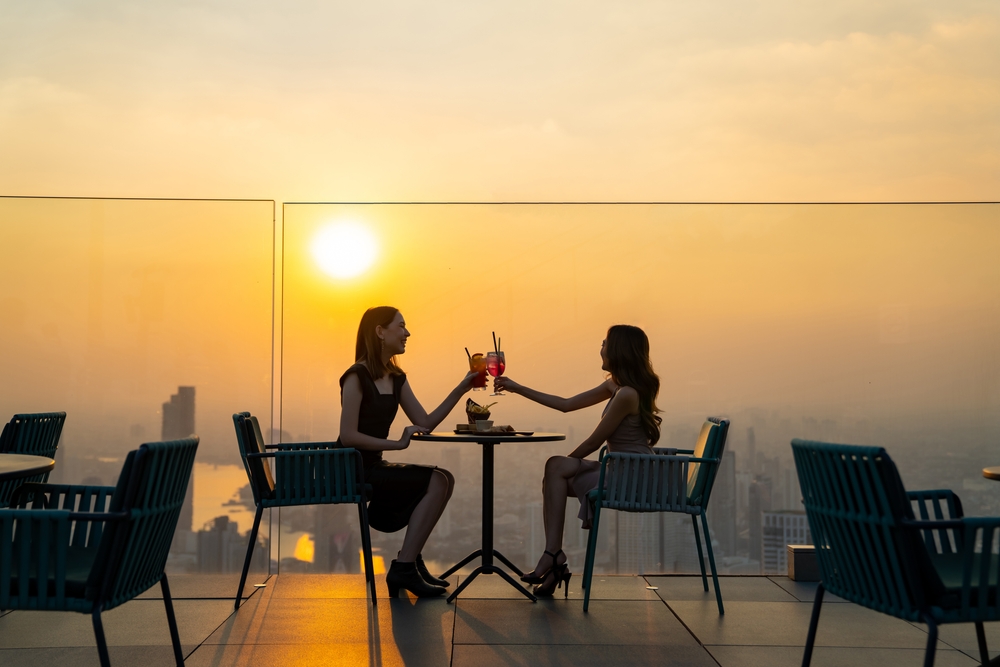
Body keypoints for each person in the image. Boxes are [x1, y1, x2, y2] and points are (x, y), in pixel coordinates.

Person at [493, 324, 661, 597]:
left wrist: (567, 465)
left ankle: (553, 555)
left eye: (605, 343)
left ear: (619, 350)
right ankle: (554, 555)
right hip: (619, 468)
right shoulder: (616, 386)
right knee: (555, 470)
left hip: (631, 476)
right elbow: (567, 404)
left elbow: (595, 442)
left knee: (556, 469)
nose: (601, 348)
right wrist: (517, 388)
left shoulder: (627, 394)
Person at [338, 306, 477, 598]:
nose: (407, 333)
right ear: (380, 331)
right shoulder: (356, 376)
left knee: (444, 478)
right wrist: (398, 444)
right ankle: (405, 566)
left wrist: (461, 388)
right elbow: (348, 436)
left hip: (374, 464)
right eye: (401, 326)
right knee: (437, 480)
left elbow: (424, 422)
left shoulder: (396, 377)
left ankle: (409, 561)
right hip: (354, 467)